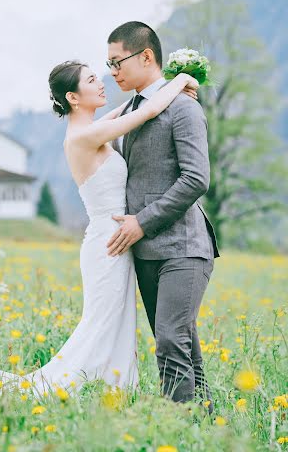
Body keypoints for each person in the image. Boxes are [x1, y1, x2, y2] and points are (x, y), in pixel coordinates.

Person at [0, 56, 198, 403]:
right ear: (73, 98)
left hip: (112, 241)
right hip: (106, 245)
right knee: (100, 323)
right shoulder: (84, 136)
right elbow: (146, 113)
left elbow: (132, 107)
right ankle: (90, 386)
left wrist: (161, 86)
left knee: (112, 322)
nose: (101, 83)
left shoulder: (91, 128)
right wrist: (181, 78)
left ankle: (112, 387)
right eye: (92, 80)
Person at [106, 21, 219, 412]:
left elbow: (196, 178)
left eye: (117, 62)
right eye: (109, 65)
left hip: (184, 248)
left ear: (147, 56)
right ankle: (202, 422)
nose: (113, 72)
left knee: (170, 339)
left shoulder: (184, 108)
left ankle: (175, 426)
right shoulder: (132, 110)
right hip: (145, 253)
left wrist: (141, 221)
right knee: (181, 341)